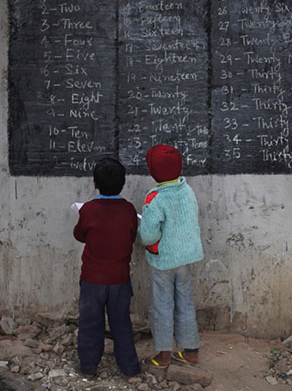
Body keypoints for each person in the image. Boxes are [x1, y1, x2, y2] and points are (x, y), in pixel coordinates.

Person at [73, 157, 140, 377]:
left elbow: (80, 235)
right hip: (119, 279)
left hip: (92, 280)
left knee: (91, 325)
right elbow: (131, 236)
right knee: (121, 324)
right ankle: (130, 368)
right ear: (123, 183)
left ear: (95, 184)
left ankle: (88, 368)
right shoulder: (128, 210)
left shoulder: (89, 210)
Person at [138, 144, 204, 367]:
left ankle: (164, 355)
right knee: (185, 302)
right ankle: (191, 351)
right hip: (185, 258)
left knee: (162, 305)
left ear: (152, 171)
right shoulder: (187, 190)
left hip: (163, 261)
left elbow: (147, 236)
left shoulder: (155, 198)